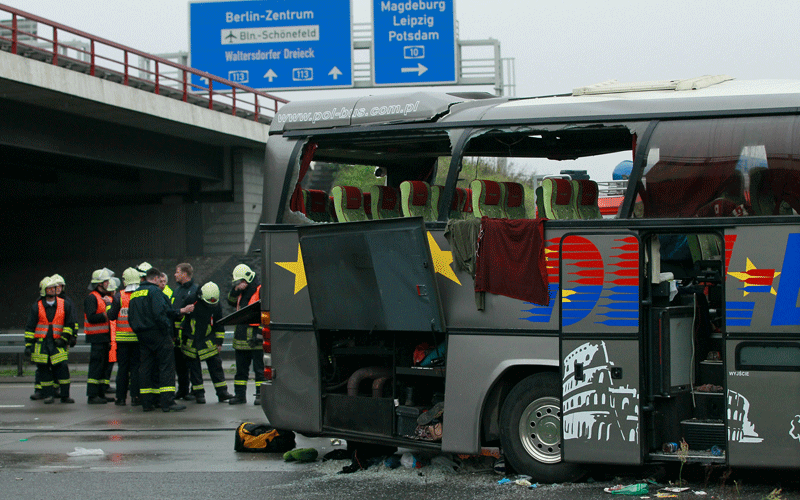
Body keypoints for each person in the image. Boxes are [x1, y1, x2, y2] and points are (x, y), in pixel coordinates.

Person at [128, 267, 185, 412]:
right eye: (160, 279)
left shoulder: (135, 294)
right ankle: (167, 402)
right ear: (155, 278)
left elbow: (131, 317)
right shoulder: (155, 292)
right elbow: (160, 314)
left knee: (146, 368)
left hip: (142, 336)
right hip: (158, 334)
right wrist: (167, 330)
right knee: (166, 367)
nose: (161, 282)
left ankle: (147, 402)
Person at [24, 276, 76, 404]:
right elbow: (30, 327)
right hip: (41, 344)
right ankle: (48, 395)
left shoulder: (65, 304)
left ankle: (65, 395)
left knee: (62, 369)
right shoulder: (37, 306)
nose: (53, 290)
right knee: (44, 370)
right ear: (43, 290)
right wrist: (28, 345)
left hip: (58, 344)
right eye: (50, 288)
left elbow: (69, 324)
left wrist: (64, 338)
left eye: (54, 288)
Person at [180, 282, 234, 403]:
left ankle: (222, 392)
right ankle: (199, 394)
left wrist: (219, 342)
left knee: (216, 366)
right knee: (194, 370)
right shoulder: (191, 299)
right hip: (191, 340)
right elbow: (180, 317)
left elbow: (219, 323)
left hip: (207, 339)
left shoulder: (215, 303)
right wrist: (180, 337)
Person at [227, 264, 264, 405]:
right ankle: (240, 395)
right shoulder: (240, 291)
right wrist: (235, 290)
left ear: (247, 278)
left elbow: (265, 313)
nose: (239, 284)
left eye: (240, 281)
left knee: (259, 370)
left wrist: (260, 334)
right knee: (241, 371)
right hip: (241, 336)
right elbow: (230, 302)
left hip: (255, 337)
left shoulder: (260, 290)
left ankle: (260, 395)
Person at [107, 268, 141, 406]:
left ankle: (120, 398)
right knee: (136, 369)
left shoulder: (118, 296)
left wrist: (108, 306)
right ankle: (136, 397)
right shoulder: (141, 294)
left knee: (122, 369)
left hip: (122, 340)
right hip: (138, 339)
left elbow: (111, 316)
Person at [84, 268, 115, 404]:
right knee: (96, 367)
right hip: (96, 338)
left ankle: (101, 393)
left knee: (103, 367)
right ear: (99, 284)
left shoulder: (103, 297)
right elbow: (91, 317)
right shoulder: (92, 297)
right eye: (106, 281)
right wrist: (106, 314)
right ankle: (92, 395)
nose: (108, 283)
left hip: (104, 338)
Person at [170, 263, 197, 401]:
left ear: (184, 274)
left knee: (191, 364)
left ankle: (195, 390)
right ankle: (182, 390)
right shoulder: (177, 291)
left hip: (188, 334)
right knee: (179, 365)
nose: (175, 274)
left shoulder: (195, 290)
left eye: (177, 272)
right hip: (176, 335)